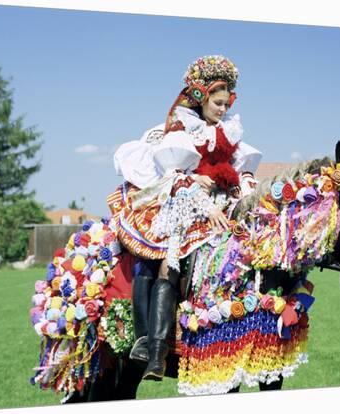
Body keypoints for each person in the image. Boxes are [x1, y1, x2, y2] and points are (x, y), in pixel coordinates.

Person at [107, 55, 262, 380]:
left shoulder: (229, 132)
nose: (222, 109)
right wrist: (202, 194)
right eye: (217, 103)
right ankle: (153, 348)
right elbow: (174, 175)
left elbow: (240, 170)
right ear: (202, 98)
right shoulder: (181, 129)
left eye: (226, 103)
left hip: (221, 203)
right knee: (165, 262)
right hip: (183, 204)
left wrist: (245, 191)